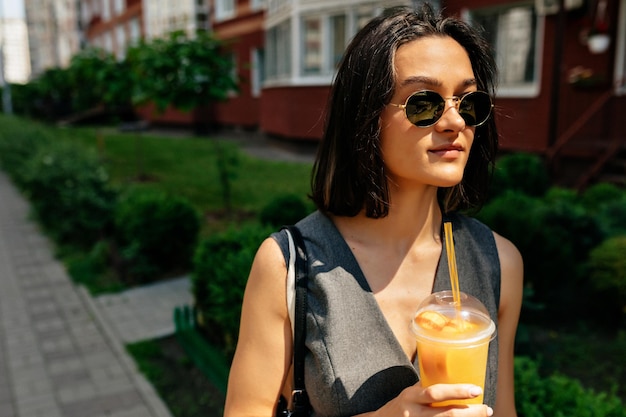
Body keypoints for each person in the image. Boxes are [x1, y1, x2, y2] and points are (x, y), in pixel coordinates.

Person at [224, 4, 523, 417]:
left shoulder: (498, 263)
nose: (455, 120)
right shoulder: (289, 266)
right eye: (424, 103)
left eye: (468, 101)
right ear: (366, 117)